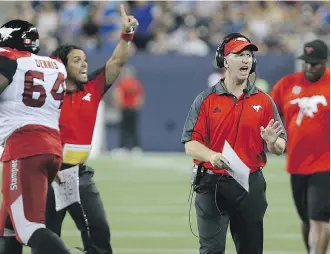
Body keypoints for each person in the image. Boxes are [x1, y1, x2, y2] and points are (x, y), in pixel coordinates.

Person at [39, 4, 137, 254]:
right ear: (61, 66)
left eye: (84, 60)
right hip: (48, 176)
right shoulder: (46, 96)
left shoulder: (92, 87)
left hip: (79, 174)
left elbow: (117, 60)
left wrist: (126, 35)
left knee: (98, 231)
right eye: (76, 60)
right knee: (47, 239)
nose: (84, 65)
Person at [181, 33, 287, 254]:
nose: (246, 60)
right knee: (211, 250)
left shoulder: (264, 101)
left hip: (250, 184)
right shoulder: (206, 99)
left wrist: (272, 141)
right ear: (225, 61)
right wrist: (211, 156)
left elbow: (280, 147)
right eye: (239, 54)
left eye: (249, 55)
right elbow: (190, 144)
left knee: (251, 249)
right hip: (212, 185)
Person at [0, 20, 70, 254]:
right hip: (50, 148)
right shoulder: (56, 65)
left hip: (24, 147)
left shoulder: (10, 59)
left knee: (27, 226)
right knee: (6, 226)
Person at [270, 39, 330, 254]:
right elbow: (268, 113)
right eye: (306, 62)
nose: (309, 67)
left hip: (325, 164)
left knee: (319, 219)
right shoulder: (287, 84)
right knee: (306, 220)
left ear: (325, 62)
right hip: (296, 164)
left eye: (314, 63)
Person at [113, 65, 144, 152]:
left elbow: (118, 94)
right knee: (133, 128)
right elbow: (140, 97)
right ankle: (136, 147)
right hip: (133, 109)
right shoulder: (136, 83)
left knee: (124, 128)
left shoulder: (122, 83)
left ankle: (122, 147)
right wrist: (138, 106)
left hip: (125, 108)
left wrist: (119, 105)